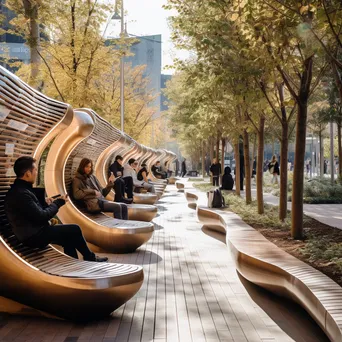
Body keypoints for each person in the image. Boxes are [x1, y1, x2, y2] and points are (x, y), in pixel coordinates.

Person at [5, 156, 107, 262]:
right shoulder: (22, 194)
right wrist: (58, 203)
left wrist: (45, 203)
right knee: (74, 229)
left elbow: (31, 212)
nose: (36, 172)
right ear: (27, 173)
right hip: (33, 236)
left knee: (68, 237)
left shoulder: (21, 190)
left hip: (34, 231)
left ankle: (75, 265)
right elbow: (41, 217)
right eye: (35, 170)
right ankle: (89, 257)